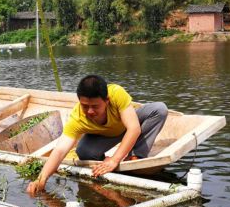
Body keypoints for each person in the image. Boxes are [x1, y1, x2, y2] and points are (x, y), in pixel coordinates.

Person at [26, 75, 167, 195]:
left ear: (107, 100)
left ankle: (136, 155)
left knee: (159, 109)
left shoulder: (116, 93)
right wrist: (41, 179)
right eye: (85, 106)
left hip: (128, 125)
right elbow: (60, 150)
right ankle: (102, 164)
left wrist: (115, 159)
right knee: (83, 151)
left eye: (95, 106)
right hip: (105, 136)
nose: (90, 111)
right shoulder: (77, 117)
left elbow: (134, 129)